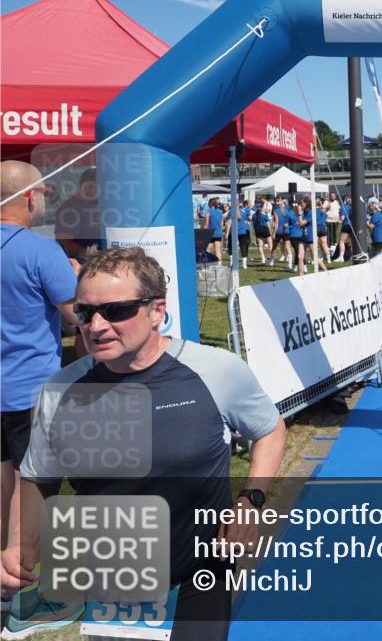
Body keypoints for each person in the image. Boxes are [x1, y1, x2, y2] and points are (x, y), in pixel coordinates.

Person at [2, 247, 286, 640]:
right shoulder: (62, 390)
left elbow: (270, 430)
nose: (96, 326)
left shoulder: (216, 371)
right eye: (85, 313)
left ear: (156, 310)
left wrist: (251, 500)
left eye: (116, 310)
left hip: (199, 577)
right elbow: (38, 478)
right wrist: (21, 546)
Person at [0, 162, 80, 587]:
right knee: (30, 491)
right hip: (30, 392)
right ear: (29, 197)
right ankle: (20, 593)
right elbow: (77, 317)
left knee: (4, 489)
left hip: (13, 391)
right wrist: (80, 279)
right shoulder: (40, 249)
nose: (47, 199)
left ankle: (7, 580)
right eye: (45, 193)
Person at [54, 167, 102, 261]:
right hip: (83, 265)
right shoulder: (70, 209)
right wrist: (89, 253)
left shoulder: (103, 205)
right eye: (90, 185)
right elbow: (63, 242)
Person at [252, 197, 273, 265]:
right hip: (264, 228)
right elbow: (267, 221)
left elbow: (253, 223)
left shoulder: (254, 215)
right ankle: (272, 257)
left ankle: (263, 257)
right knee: (270, 243)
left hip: (257, 230)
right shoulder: (263, 214)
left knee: (260, 245)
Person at [202, 198, 224, 263]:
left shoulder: (208, 212)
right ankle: (219, 264)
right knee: (218, 250)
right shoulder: (220, 212)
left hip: (210, 233)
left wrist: (203, 232)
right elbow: (222, 223)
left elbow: (206, 224)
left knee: (208, 249)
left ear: (210, 203)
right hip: (218, 233)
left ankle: (208, 263)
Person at [235, 199, 252, 269]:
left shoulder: (232, 212)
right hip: (243, 231)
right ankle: (244, 264)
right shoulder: (244, 211)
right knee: (243, 247)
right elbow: (249, 218)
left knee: (235, 247)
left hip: (235, 232)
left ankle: (235, 262)